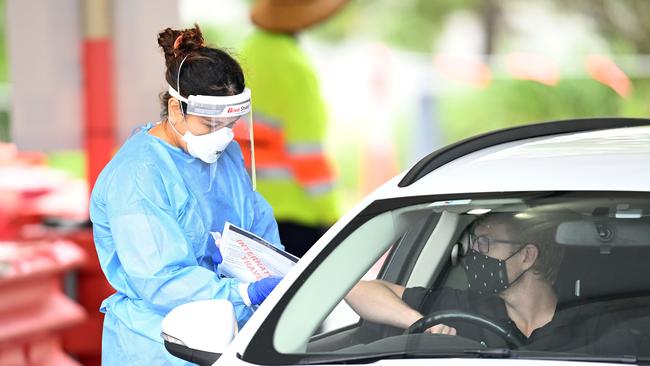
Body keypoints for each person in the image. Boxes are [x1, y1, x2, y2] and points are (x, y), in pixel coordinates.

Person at [90, 24, 284, 365]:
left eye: (230, 126)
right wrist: (242, 293)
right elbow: (161, 279)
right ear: (176, 109)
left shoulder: (226, 155)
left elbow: (255, 223)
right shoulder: (138, 176)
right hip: (159, 345)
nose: (222, 138)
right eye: (210, 126)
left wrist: (277, 269)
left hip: (232, 337)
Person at [345, 211, 569, 347]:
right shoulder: (463, 307)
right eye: (473, 243)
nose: (473, 253)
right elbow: (356, 290)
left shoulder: (585, 325)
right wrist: (419, 322)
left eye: (485, 243)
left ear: (527, 256)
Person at [235, 0, 348, 257]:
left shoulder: (246, 52)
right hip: (295, 217)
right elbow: (306, 153)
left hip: (247, 209)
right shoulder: (295, 67)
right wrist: (331, 216)